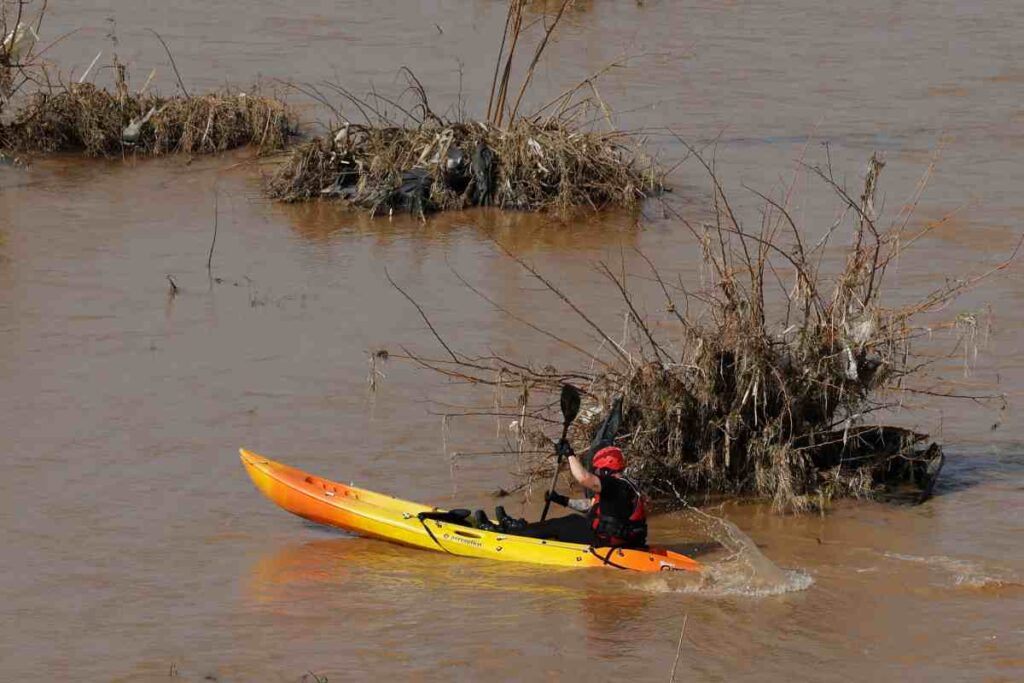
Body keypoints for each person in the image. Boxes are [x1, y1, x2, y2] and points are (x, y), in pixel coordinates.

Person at [514, 441, 648, 548]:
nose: (597, 473)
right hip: (629, 541)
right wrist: (561, 500)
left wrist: (569, 454)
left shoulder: (612, 484)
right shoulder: (627, 485)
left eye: (598, 470)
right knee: (573, 519)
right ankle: (527, 528)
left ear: (606, 469)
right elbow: (592, 506)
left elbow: (583, 478)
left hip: (607, 542)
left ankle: (515, 532)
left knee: (557, 525)